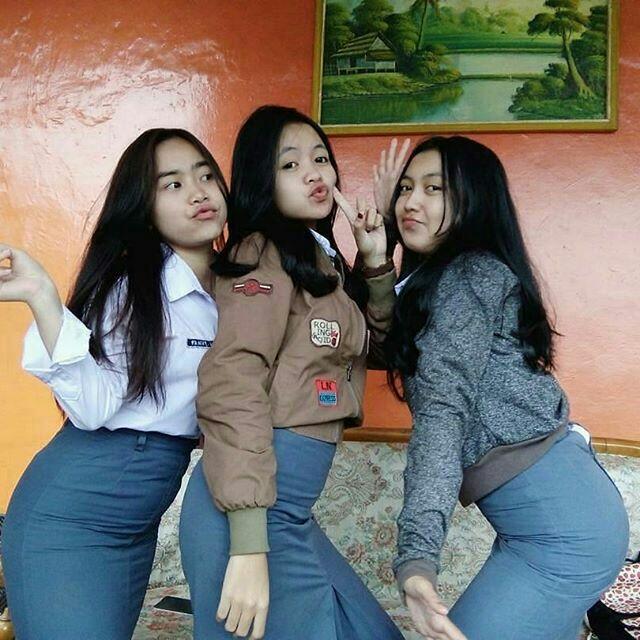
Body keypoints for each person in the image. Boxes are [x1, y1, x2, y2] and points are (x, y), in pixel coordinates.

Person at [382, 135, 629, 640]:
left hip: (564, 534)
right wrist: (379, 247)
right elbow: (369, 345)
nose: (410, 201)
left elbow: (441, 416)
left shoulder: (470, 277)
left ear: (475, 200)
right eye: (405, 188)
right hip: (559, 521)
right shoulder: (446, 282)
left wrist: (417, 558)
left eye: (434, 189)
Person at [179, 105, 404, 640]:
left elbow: (382, 350)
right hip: (249, 515)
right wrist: (248, 546)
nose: (313, 173)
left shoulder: (317, 260)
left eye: (320, 159)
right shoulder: (260, 253)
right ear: (262, 178)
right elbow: (232, 381)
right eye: (289, 164)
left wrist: (375, 261)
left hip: (286, 510)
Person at [0, 128, 228, 639]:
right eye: (172, 184)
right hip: (71, 518)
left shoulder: (238, 289)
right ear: (144, 206)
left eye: (206, 176)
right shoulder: (134, 289)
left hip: (137, 523)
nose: (198, 192)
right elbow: (92, 407)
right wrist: (41, 296)